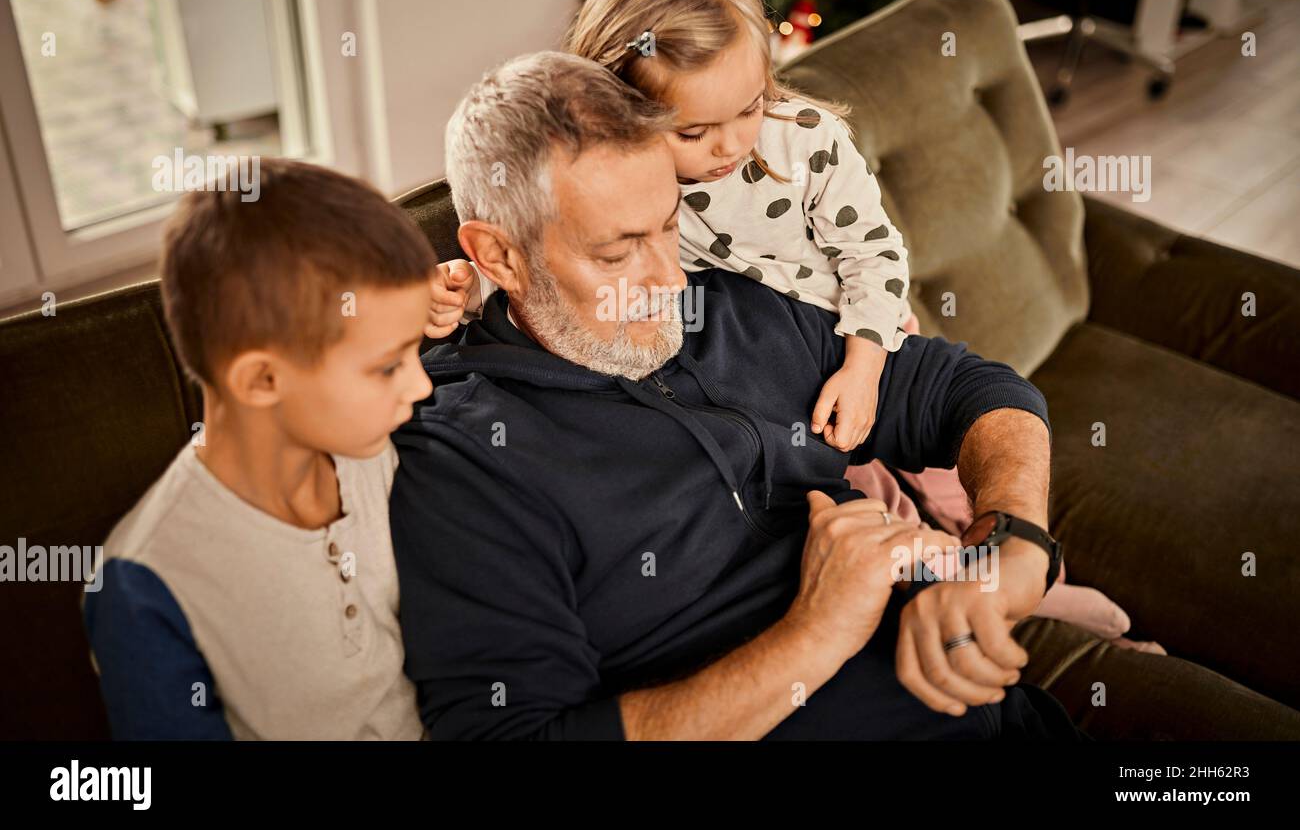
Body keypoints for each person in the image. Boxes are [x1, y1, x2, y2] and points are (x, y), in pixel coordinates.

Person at [391, 51, 1084, 740]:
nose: (670, 282)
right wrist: (819, 631)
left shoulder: (729, 307)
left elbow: (969, 388)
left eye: (668, 225)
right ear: (499, 256)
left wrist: (1014, 544)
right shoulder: (464, 460)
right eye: (617, 253)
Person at [83, 160, 436, 739]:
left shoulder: (370, 450)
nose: (420, 386)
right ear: (261, 381)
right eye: (389, 365)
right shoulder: (144, 584)